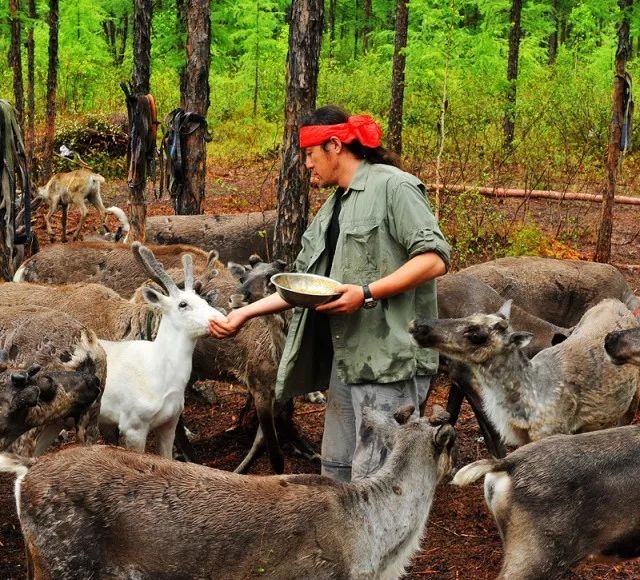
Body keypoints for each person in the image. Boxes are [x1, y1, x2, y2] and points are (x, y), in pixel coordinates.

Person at [209, 105, 450, 482]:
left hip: (389, 361)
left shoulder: (394, 187)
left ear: (334, 145)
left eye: (309, 154)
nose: (306, 164)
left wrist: (367, 293)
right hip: (349, 358)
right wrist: (244, 313)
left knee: (378, 479)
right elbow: (305, 284)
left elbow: (434, 259)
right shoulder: (333, 208)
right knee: (336, 472)